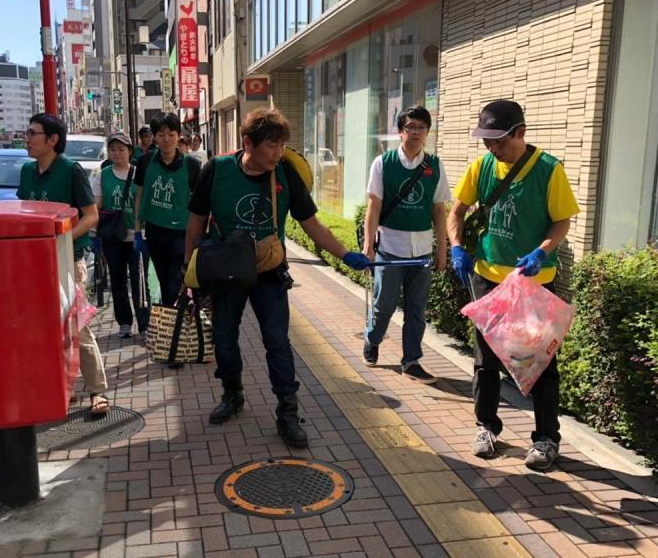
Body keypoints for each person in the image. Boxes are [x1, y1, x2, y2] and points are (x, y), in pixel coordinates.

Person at [184, 107, 370, 448]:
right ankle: (232, 393)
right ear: (247, 143)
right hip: (226, 272)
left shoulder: (285, 174)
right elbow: (196, 220)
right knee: (224, 338)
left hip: (269, 273)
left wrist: (344, 254)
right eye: (272, 145)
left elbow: (311, 224)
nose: (279, 152)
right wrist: (189, 269)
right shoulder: (216, 170)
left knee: (277, 342)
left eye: (282, 144)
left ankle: (288, 412)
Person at [447, 100, 579, 471]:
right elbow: (457, 210)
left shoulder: (549, 170)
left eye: (499, 141)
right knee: (486, 360)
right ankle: (486, 427)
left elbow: (562, 222)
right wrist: (456, 247)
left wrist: (541, 251)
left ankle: (546, 439)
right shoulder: (482, 167)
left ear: (520, 133)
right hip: (488, 277)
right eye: (486, 141)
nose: (492, 148)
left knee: (539, 363)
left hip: (532, 282)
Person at [18, 113, 110, 415]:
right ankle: (60, 388)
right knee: (44, 328)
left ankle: (97, 390)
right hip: (36, 263)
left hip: (68, 260)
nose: (27, 139)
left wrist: (61, 240)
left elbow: (91, 216)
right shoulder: (27, 172)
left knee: (76, 326)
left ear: (52, 139)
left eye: (32, 133)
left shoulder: (71, 171)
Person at [362, 105, 451, 383]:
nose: (416, 132)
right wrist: (368, 246)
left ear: (427, 132)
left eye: (421, 128)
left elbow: (439, 210)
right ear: (401, 131)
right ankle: (372, 338)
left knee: (416, 310)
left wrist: (442, 250)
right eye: (410, 127)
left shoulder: (435, 165)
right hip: (390, 249)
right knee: (384, 305)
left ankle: (411, 361)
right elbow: (373, 207)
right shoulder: (383, 163)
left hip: (421, 252)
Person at [133, 112, 201, 306]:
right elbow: (139, 196)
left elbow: (200, 204)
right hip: (155, 232)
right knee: (163, 282)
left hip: (181, 234)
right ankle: (170, 319)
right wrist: (137, 231)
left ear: (179, 135)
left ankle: (173, 318)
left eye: (171, 134)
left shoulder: (191, 165)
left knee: (175, 284)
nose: (166, 139)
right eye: (161, 134)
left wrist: (200, 234)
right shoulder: (145, 162)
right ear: (154, 137)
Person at [91, 133, 150, 339]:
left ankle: (144, 325)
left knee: (139, 281)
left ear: (130, 152)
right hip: (113, 238)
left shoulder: (139, 174)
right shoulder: (102, 176)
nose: (117, 153)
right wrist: (93, 233)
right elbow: (96, 206)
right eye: (113, 149)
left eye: (121, 149)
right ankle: (124, 322)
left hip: (137, 237)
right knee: (117, 281)